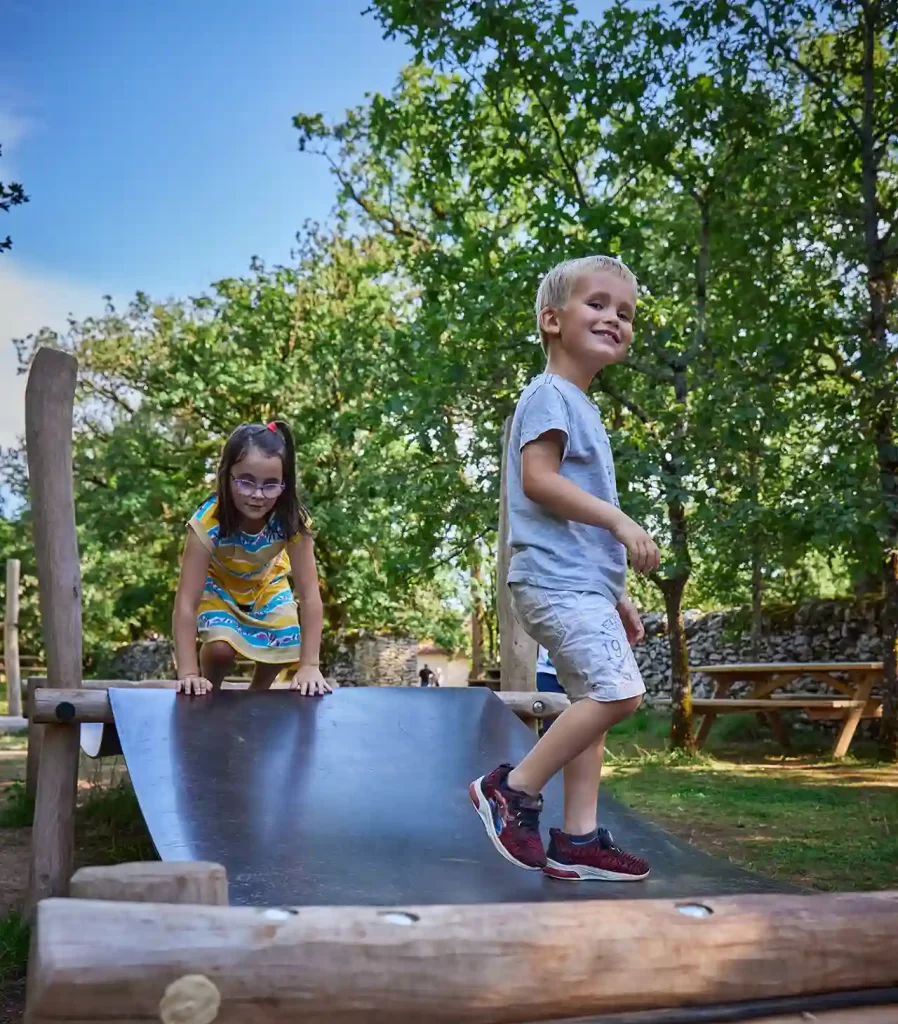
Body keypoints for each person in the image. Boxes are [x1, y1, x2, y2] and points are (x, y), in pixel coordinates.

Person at [470, 255, 660, 881]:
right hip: (553, 581)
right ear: (552, 321)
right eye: (598, 304)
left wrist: (616, 595)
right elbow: (539, 481)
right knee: (618, 692)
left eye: (625, 313)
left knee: (590, 699)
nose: (614, 318)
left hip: (580, 585)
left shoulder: (581, 407)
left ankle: (577, 837)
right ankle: (513, 789)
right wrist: (619, 519)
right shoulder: (548, 394)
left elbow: (575, 525)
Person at [172, 420, 331, 697]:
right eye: (246, 482)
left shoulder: (291, 520)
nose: (257, 495)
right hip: (219, 587)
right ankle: (208, 689)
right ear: (227, 475)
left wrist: (310, 665)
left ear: (285, 484)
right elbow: (186, 602)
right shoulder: (206, 523)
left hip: (266, 586)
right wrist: (188, 673)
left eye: (270, 485)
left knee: (285, 642)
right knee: (221, 649)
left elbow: (309, 595)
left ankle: (257, 694)